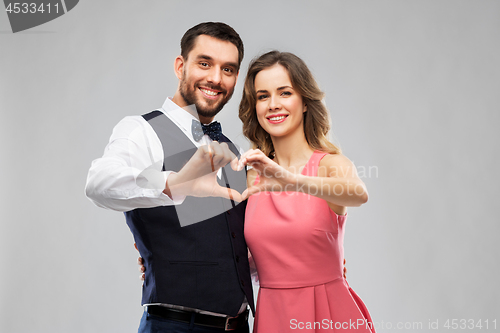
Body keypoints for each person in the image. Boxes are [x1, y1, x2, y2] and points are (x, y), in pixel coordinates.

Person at [85, 22, 254, 332]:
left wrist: (307, 265)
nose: (216, 78)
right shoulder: (141, 130)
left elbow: (233, 253)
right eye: (204, 63)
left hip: (239, 326)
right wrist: (174, 183)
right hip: (175, 326)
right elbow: (98, 183)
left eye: (228, 69)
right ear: (180, 66)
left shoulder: (230, 149)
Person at [237, 51, 375, 332]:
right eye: (263, 96)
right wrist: (159, 256)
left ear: (304, 103)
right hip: (273, 316)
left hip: (330, 314)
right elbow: (238, 252)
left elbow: (358, 194)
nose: (273, 105)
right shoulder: (249, 175)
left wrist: (291, 181)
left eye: (284, 93)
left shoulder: (331, 165)